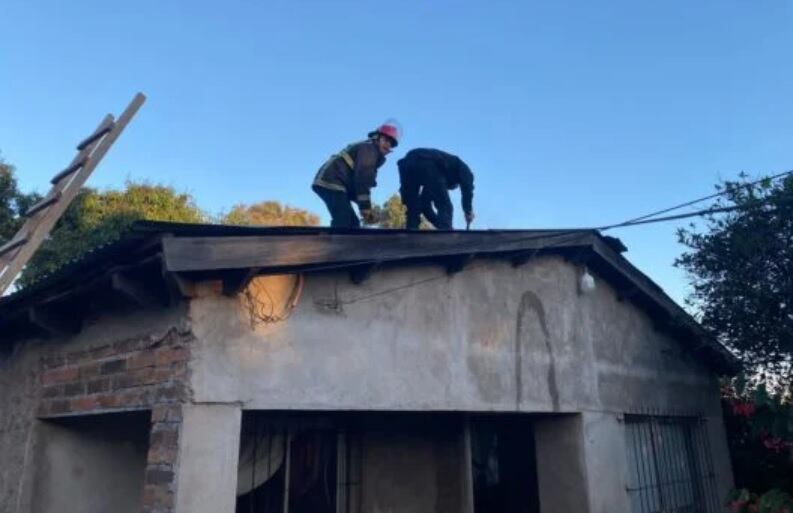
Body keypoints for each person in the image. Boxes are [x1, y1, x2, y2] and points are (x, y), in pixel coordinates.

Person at [312, 121, 401, 228]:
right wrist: (365, 209)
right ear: (376, 138)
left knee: (353, 224)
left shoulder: (372, 154)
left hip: (338, 184)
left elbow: (357, 187)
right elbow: (362, 180)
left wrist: (366, 208)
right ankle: (335, 244)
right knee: (343, 220)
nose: (388, 145)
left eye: (391, 143)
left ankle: (343, 243)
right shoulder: (370, 150)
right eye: (386, 140)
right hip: (331, 181)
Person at [397, 148, 475, 230]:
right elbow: (468, 190)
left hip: (406, 164)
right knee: (445, 205)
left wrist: (440, 224)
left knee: (413, 206)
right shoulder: (463, 169)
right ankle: (445, 238)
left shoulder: (433, 181)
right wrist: (468, 211)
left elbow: (425, 206)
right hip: (426, 161)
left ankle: (411, 235)